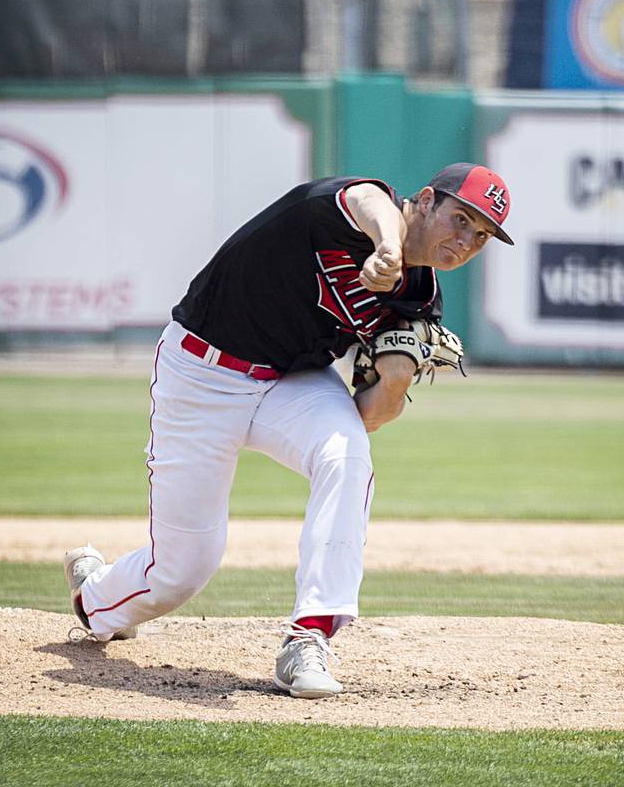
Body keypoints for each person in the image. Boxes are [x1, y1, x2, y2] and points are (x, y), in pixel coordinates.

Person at [64, 162, 513, 699]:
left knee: (347, 455)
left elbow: (365, 416)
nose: (465, 240)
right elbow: (369, 203)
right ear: (423, 201)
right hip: (201, 375)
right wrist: (388, 249)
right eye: (461, 219)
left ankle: (309, 638)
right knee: (181, 572)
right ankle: (95, 595)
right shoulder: (348, 210)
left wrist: (394, 382)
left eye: (481, 235)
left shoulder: (417, 297)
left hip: (290, 384)